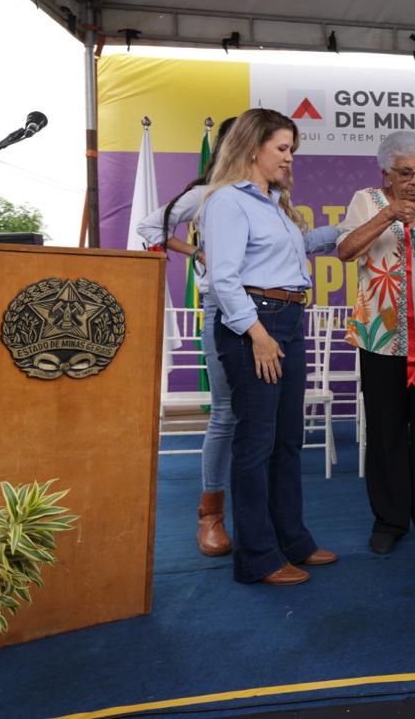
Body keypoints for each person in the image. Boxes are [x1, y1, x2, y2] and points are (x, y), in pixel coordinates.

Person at [198, 108, 340, 586]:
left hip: (288, 319)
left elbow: (295, 251)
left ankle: (292, 540)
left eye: (291, 149)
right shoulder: (227, 201)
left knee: (287, 440)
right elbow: (223, 279)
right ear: (252, 147)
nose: (289, 157)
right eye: (282, 148)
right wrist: (257, 334)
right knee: (256, 443)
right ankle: (257, 557)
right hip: (256, 325)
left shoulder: (273, 203)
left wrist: (351, 226)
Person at [337, 131, 415, 555]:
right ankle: (389, 521)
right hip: (379, 340)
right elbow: (346, 250)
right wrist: (388, 215)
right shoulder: (366, 201)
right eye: (405, 173)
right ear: (385, 173)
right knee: (385, 432)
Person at [137, 116, 237, 557]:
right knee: (226, 413)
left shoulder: (271, 197)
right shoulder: (205, 194)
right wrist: (197, 251)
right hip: (222, 309)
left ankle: (264, 515)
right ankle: (210, 515)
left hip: (268, 312)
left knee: (263, 420)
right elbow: (149, 228)